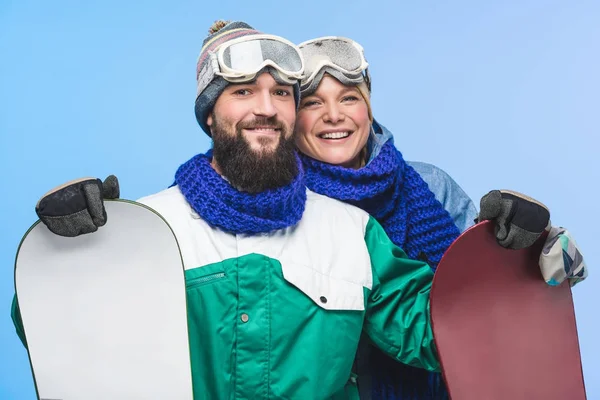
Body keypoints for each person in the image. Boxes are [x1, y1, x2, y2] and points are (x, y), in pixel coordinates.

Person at [11, 21, 444, 399]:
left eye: (280, 92)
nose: (266, 108)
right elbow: (55, 332)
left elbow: (441, 332)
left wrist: (504, 266)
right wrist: (69, 254)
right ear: (209, 117)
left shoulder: (353, 233)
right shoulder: (151, 230)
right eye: (243, 92)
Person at [294, 36, 587, 399]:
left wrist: (543, 248)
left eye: (349, 98)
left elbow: (490, 287)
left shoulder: (430, 185)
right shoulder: (283, 207)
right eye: (312, 103)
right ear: (292, 118)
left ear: (368, 108)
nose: (334, 115)